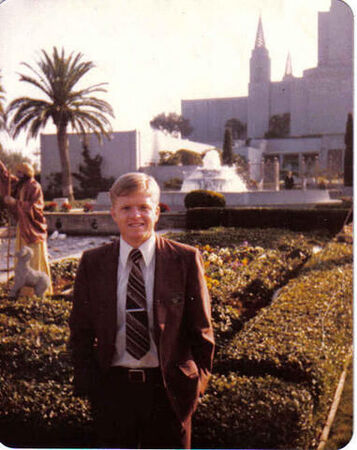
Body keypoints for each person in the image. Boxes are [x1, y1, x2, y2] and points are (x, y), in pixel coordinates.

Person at [69, 172, 214, 449]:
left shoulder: (184, 259)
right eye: (126, 208)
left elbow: (202, 331)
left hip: (168, 392)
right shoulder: (93, 263)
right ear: (113, 213)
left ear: (157, 211)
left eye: (144, 207)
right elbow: (80, 331)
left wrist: (196, 387)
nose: (135, 215)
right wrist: (92, 386)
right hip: (113, 391)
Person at [0, 160, 53, 295]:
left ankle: (33, 292)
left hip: (32, 228)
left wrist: (16, 202)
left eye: (20, 172)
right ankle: (23, 291)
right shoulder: (21, 185)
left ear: (26, 173)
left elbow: (36, 207)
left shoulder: (35, 186)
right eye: (17, 172)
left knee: (33, 258)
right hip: (22, 226)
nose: (17, 174)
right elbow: (6, 178)